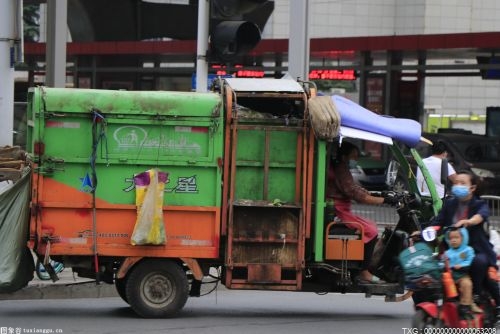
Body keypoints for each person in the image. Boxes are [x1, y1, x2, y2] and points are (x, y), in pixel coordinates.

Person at [430, 170, 500, 319]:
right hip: (452, 250)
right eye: (455, 183)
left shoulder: (480, 204)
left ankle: (476, 295)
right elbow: (438, 222)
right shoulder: (449, 204)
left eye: (462, 183)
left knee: (479, 263)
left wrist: (468, 222)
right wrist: (425, 231)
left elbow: (480, 216)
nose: (457, 186)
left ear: (472, 188)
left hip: (476, 250)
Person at [327, 141, 398, 284]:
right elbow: (354, 193)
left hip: (340, 208)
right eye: (354, 156)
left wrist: (378, 194)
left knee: (370, 226)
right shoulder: (341, 168)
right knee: (371, 230)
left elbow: (355, 188)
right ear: (345, 156)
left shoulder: (342, 167)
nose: (356, 160)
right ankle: (364, 271)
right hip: (338, 209)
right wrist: (383, 200)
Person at [444, 227, 478, 319]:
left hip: (462, 275)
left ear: (463, 238)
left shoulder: (468, 250)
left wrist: (461, 265)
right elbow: (442, 262)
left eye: (456, 237)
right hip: (449, 276)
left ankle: (465, 305)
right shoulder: (447, 252)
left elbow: (470, 260)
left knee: (467, 284)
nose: (453, 240)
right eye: (451, 238)